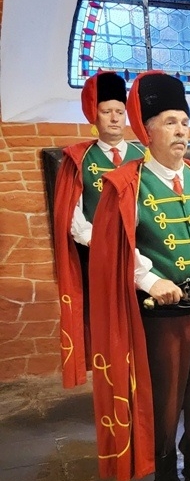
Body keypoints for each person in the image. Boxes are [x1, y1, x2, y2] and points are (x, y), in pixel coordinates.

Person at [89, 71, 190, 481]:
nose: (181, 131)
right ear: (147, 130)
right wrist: (150, 279)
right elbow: (114, 249)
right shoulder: (127, 184)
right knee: (164, 406)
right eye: (169, 122)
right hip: (163, 318)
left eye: (184, 122)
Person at [53, 71, 144, 387]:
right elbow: (72, 213)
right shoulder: (80, 158)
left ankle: (141, 379)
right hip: (100, 258)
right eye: (107, 111)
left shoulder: (143, 156)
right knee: (109, 324)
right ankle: (113, 382)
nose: (115, 118)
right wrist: (103, 241)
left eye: (120, 111)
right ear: (95, 115)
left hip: (141, 254)